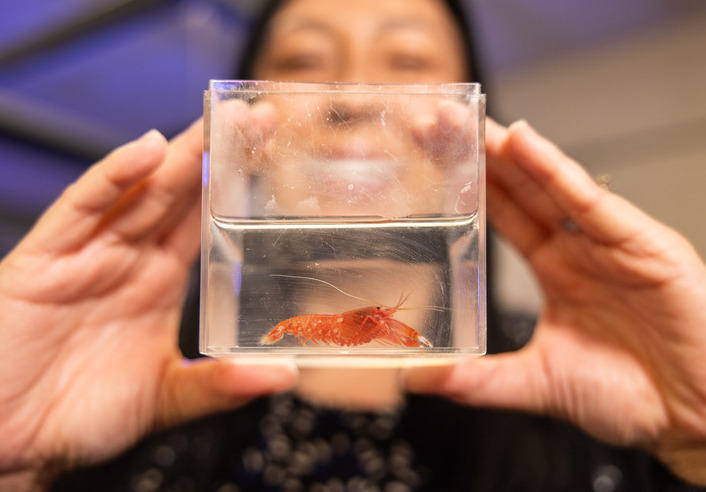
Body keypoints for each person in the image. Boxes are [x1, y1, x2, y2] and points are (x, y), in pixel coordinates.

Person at [1, 0, 706, 490]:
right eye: (303, 58)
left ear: (474, 117)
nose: (355, 95)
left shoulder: (607, 398)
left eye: (409, 57)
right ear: (248, 126)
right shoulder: (125, 383)